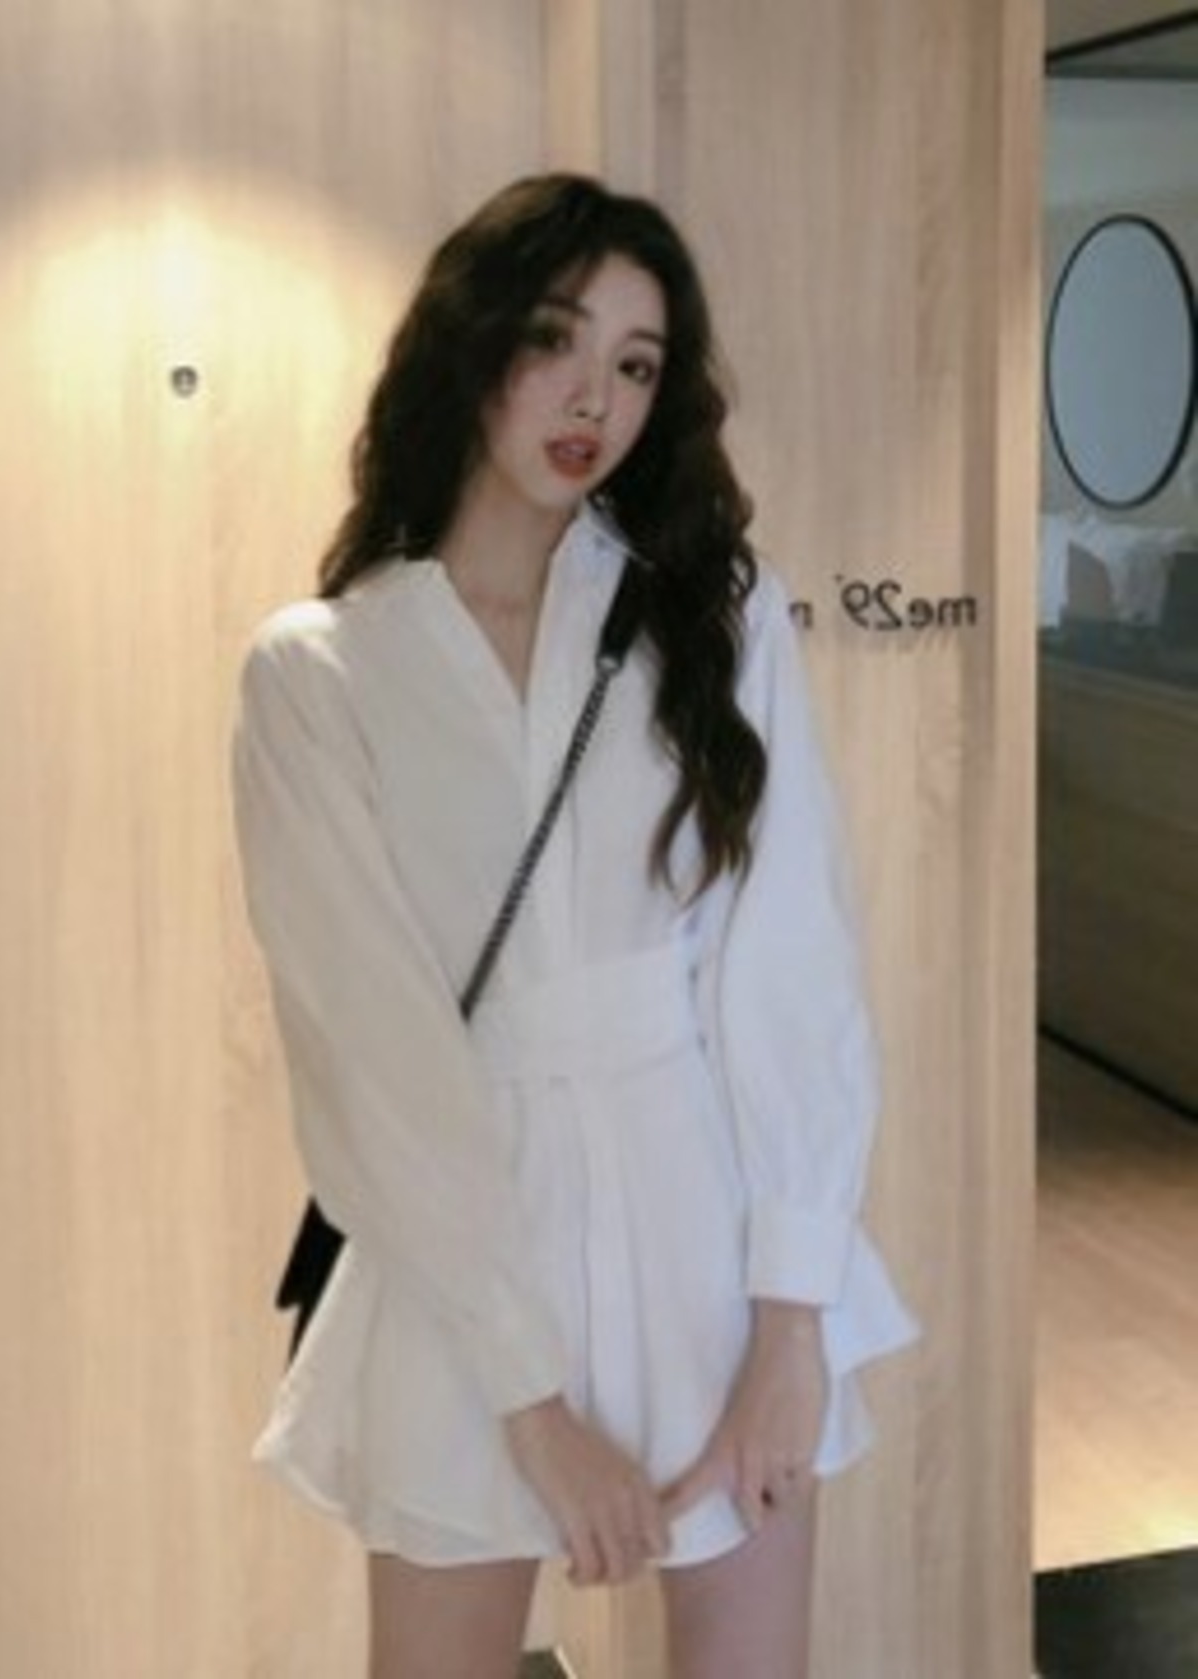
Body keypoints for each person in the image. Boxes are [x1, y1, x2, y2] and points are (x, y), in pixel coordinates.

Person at [231, 173, 918, 1679]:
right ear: (469, 343)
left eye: (636, 363)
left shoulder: (711, 619)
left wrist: (791, 1322)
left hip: (707, 1230)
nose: (593, 396)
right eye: (555, 339)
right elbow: (373, 1055)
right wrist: (531, 1399)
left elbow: (788, 969)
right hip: (461, 1251)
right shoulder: (322, 671)